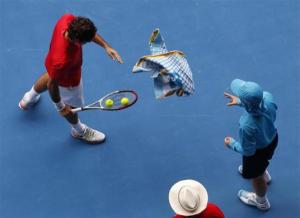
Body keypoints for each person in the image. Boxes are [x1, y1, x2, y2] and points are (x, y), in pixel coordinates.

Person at [19, 14, 123, 144]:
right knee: (71, 107)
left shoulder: (67, 19)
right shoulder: (62, 61)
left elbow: (52, 77)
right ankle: (79, 130)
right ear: (77, 40)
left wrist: (106, 46)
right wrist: (60, 107)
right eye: (86, 42)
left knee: (50, 75)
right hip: (69, 80)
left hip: (52, 63)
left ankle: (29, 97)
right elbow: (52, 85)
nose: (87, 43)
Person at [224, 79, 278, 211]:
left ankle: (261, 201)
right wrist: (241, 101)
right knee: (264, 161)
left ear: (247, 105)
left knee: (256, 177)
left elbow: (248, 151)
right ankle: (262, 171)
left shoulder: (246, 126)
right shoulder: (268, 97)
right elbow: (258, 107)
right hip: (272, 139)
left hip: (256, 153)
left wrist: (232, 144)